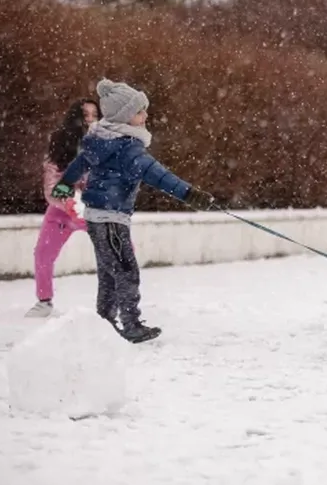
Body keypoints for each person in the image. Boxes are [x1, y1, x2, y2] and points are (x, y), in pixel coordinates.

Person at [53, 79, 216, 343]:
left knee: (109, 271)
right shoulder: (128, 148)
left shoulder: (99, 140)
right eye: (141, 111)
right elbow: (158, 175)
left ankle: (104, 322)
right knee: (126, 270)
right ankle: (130, 325)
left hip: (97, 217)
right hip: (112, 218)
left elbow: (79, 163)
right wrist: (190, 194)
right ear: (126, 117)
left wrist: (65, 184)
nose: (146, 115)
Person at [25, 99, 100, 318]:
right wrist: (71, 202)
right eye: (86, 115)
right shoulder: (60, 143)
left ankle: (125, 298)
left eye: (94, 115)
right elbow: (51, 183)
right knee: (43, 253)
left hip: (95, 210)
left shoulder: (106, 143)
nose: (90, 120)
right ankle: (44, 301)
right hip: (62, 211)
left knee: (121, 249)